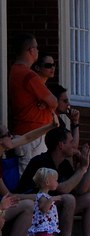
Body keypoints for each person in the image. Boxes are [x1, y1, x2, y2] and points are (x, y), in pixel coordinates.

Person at [16, 127, 90, 236]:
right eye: (71, 142)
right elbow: (63, 189)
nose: (74, 146)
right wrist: (82, 168)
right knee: (68, 198)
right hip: (36, 208)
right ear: (61, 145)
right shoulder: (41, 162)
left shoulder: (64, 165)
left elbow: (81, 190)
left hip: (54, 209)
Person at [0, 119, 58, 236]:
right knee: (27, 205)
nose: (12, 137)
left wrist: (50, 126)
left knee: (29, 205)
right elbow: (9, 197)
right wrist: (40, 197)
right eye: (8, 134)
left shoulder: (3, 147)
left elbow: (27, 137)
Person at [8, 33, 58, 175]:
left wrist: (43, 102)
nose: (37, 51)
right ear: (30, 50)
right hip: (32, 136)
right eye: (36, 48)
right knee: (34, 180)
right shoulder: (28, 74)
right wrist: (46, 103)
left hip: (28, 135)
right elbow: (53, 101)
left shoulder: (15, 70)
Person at [26, 168, 59, 236]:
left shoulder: (44, 196)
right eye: (55, 180)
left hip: (46, 226)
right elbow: (43, 208)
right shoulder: (42, 196)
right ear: (48, 182)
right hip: (43, 226)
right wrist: (53, 199)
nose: (57, 182)